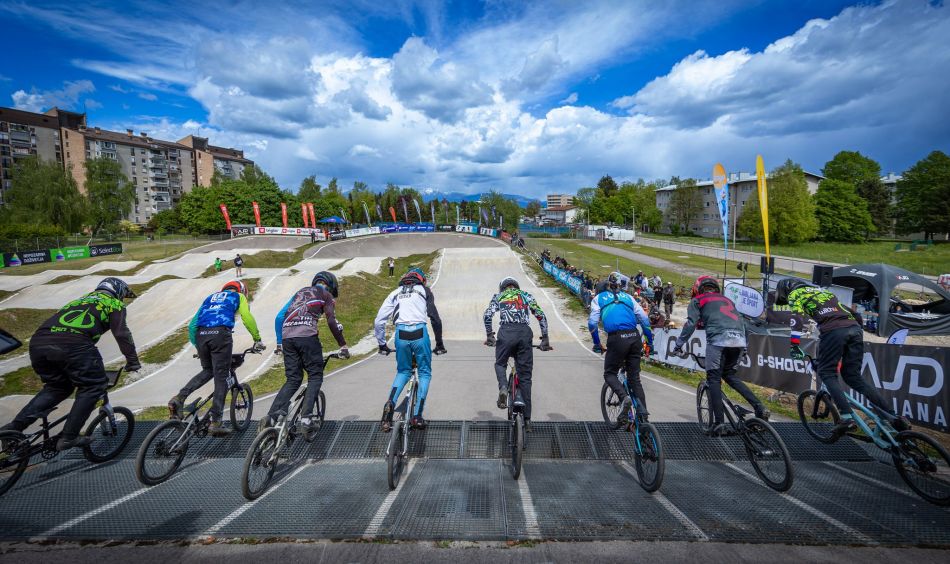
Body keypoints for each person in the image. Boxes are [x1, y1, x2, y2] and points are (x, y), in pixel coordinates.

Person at [1, 278, 140, 450]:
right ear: (118, 291)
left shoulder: (79, 300)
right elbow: (122, 333)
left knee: (57, 387)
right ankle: (68, 437)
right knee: (94, 386)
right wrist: (133, 361)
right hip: (73, 343)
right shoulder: (113, 304)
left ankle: (13, 428)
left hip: (39, 343)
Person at [775, 278, 910, 435]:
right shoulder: (823, 292)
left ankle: (846, 417)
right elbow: (854, 314)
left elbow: (796, 319)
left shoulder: (795, 294)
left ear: (786, 290)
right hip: (854, 329)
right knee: (853, 377)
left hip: (833, 330)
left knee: (826, 373)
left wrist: (794, 345)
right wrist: (853, 332)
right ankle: (893, 416)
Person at [672, 276, 769, 436]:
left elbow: (691, 323)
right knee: (730, 376)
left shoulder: (698, 300)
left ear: (698, 289)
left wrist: (678, 345)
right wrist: (744, 348)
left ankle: (719, 423)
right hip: (739, 340)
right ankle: (759, 407)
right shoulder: (727, 300)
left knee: (714, 380)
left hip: (718, 340)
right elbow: (744, 323)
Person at [167, 280, 264, 436]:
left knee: (207, 370)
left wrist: (198, 347)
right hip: (221, 334)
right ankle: (216, 422)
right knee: (222, 377)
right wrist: (257, 339)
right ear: (242, 290)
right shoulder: (238, 296)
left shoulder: (210, 297)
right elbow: (246, 316)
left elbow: (192, 326)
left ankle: (179, 398)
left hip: (201, 335)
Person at [265, 271, 350, 436]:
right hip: (307, 337)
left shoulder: (300, 292)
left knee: (293, 378)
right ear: (330, 286)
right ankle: (306, 419)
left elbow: (279, 317)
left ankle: (272, 416)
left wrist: (279, 342)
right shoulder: (326, 295)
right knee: (315, 376)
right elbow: (331, 320)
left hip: (288, 338)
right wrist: (343, 345)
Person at [375, 267, 446, 431]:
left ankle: (388, 410)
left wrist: (381, 343)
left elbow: (379, 320)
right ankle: (417, 416)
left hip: (401, 334)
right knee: (425, 373)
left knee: (403, 372)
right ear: (422, 280)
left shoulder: (395, 293)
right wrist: (440, 343)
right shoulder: (424, 290)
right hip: (419, 332)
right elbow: (434, 317)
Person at [484, 277, 552, 431]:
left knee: (500, 363)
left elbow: (487, 315)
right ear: (516, 286)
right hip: (524, 333)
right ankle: (527, 419)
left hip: (506, 332)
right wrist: (545, 338)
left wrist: (489, 335)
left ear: (502, 288)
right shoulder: (526, 295)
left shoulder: (498, 296)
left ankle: (502, 388)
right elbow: (540, 314)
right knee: (526, 377)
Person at [588, 273, 655, 424]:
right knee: (635, 379)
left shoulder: (598, 299)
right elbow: (644, 320)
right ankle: (643, 419)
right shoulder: (628, 297)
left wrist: (597, 344)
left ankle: (624, 398)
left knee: (609, 374)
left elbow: (592, 324)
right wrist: (650, 343)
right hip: (634, 336)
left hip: (617, 338)